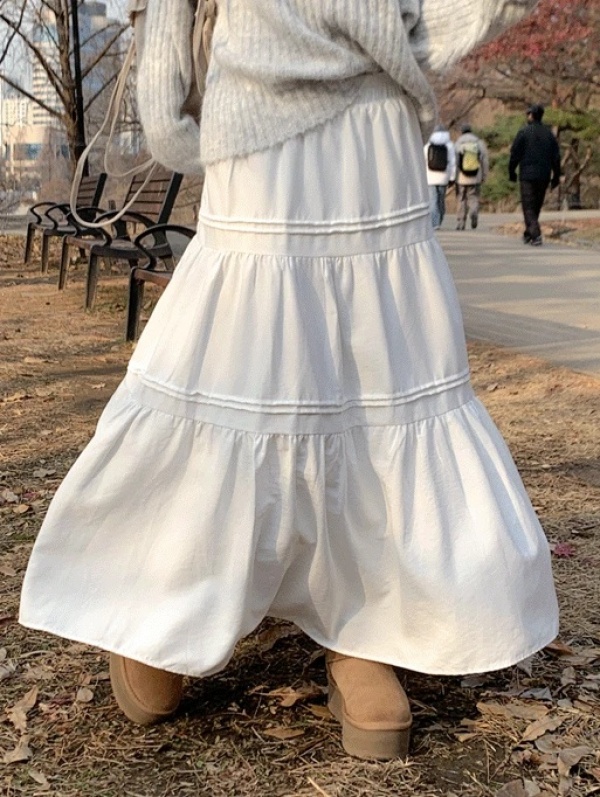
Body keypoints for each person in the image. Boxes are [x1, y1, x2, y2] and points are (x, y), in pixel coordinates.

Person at [20, 0, 558, 762]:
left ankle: (368, 628)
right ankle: (167, 593)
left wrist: (397, 38)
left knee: (375, 367)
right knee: (237, 353)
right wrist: (175, 88)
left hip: (372, 114)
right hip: (257, 99)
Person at [509, 103, 561, 246]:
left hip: (527, 175)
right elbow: (556, 157)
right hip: (544, 175)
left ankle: (536, 234)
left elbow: (515, 154)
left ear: (531, 115)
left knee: (528, 207)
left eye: (528, 114)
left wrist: (511, 171)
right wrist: (556, 176)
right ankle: (529, 233)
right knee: (536, 206)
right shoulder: (549, 134)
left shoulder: (524, 132)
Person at [454, 124, 489, 230]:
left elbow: (455, 162)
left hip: (461, 177)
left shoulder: (458, 143)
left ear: (462, 132)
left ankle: (461, 222)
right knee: (473, 197)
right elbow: (484, 160)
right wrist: (484, 175)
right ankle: (473, 213)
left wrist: (453, 177)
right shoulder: (479, 143)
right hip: (475, 176)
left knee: (461, 198)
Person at [424, 124, 456, 230]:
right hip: (444, 176)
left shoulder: (427, 145)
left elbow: (423, 161)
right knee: (441, 200)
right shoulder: (449, 145)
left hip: (430, 177)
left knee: (433, 200)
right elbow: (453, 163)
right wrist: (452, 177)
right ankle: (440, 219)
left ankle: (435, 222)